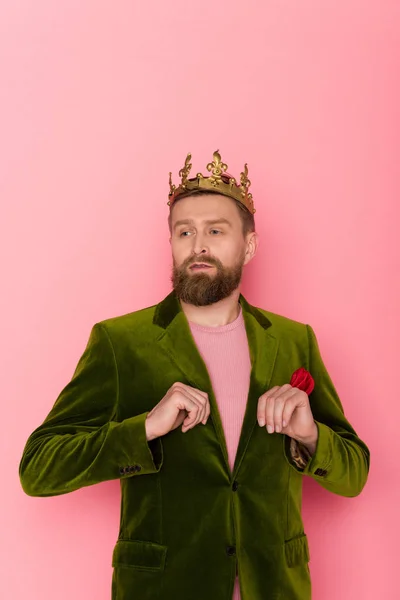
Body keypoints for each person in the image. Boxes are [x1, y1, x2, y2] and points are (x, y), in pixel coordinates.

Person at [19, 150, 370, 600]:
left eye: (215, 231)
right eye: (184, 231)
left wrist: (310, 436)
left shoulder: (293, 340)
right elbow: (38, 468)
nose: (197, 245)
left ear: (249, 245)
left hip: (276, 588)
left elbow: (354, 474)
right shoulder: (120, 341)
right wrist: (145, 428)